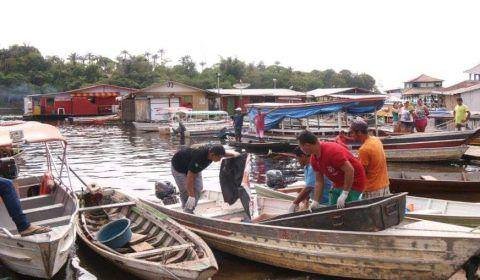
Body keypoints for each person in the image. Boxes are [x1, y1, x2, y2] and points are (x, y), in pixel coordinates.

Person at [297, 130, 366, 209]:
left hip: (354, 181)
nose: (301, 149)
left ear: (307, 145)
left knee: (345, 210)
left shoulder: (331, 151)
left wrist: (345, 193)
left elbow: (350, 170)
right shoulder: (314, 159)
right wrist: (315, 201)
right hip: (338, 182)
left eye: (301, 147)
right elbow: (319, 181)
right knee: (332, 209)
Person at [171, 144, 239, 213]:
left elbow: (225, 154)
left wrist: (237, 155)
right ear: (212, 155)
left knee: (198, 188)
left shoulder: (213, 152)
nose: (219, 160)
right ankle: (186, 211)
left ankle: (190, 208)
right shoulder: (199, 158)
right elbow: (190, 178)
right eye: (219, 158)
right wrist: (191, 196)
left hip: (192, 166)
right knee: (186, 189)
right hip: (178, 167)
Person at [349, 120, 390, 199]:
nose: (351, 135)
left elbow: (361, 172)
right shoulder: (376, 140)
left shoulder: (364, 149)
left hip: (372, 189)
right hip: (384, 185)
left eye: (352, 132)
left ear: (359, 132)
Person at [288, 147, 332, 213]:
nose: (298, 161)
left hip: (326, 202)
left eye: (297, 158)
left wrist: (295, 203)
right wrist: (306, 200)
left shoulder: (312, 167)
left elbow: (309, 188)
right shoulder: (306, 167)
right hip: (318, 201)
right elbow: (309, 185)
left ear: (303, 156)